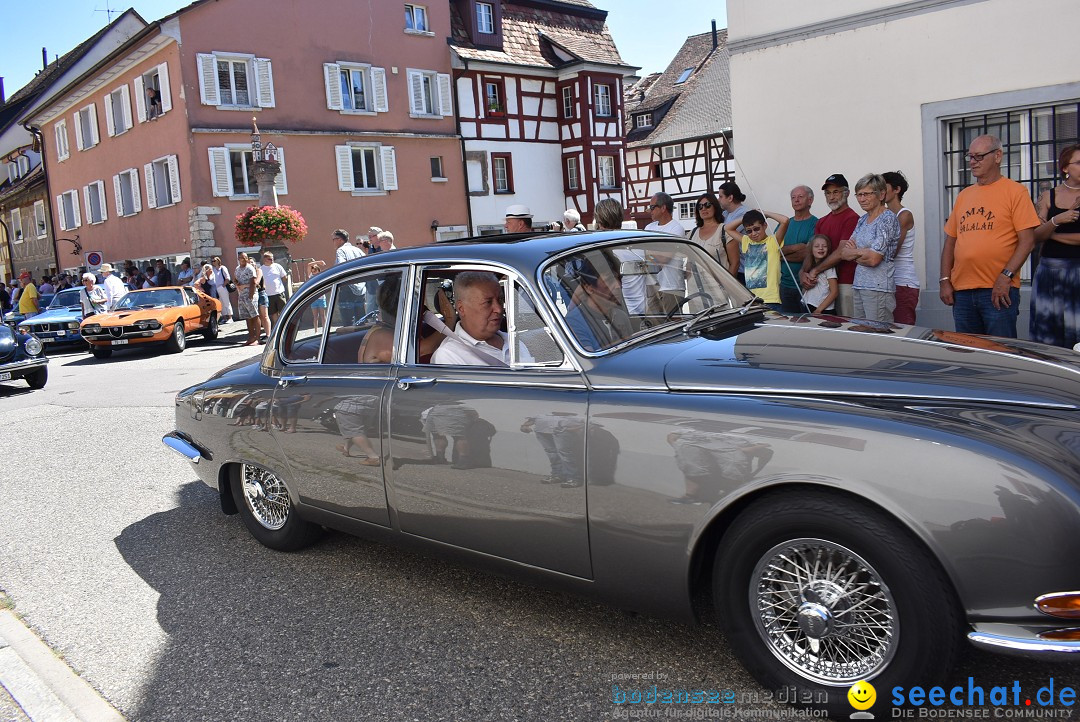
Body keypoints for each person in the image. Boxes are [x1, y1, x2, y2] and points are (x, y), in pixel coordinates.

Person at [940, 134, 1040, 337]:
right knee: (969, 354)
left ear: (997, 156)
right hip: (963, 291)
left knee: (1000, 353)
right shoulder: (964, 195)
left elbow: (1027, 241)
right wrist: (944, 279)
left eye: (978, 156)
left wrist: (1006, 277)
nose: (972, 162)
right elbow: (950, 242)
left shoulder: (1015, 192)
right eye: (969, 157)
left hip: (998, 289)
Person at [1030, 144, 1080, 348]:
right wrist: (1057, 220)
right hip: (1049, 272)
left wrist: (1052, 233)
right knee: (1049, 336)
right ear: (1065, 168)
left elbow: (1045, 234)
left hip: (1078, 271)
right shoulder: (1048, 196)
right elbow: (1034, 235)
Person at [431, 272, 531, 366]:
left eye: (500, 300)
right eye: (488, 302)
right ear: (462, 308)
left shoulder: (514, 341)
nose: (499, 309)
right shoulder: (449, 356)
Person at [839, 173, 900, 323]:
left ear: (881, 195)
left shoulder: (887, 219)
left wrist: (855, 253)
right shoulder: (862, 220)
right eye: (859, 195)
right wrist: (863, 252)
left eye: (866, 194)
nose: (861, 199)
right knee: (861, 335)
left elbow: (874, 259)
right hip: (859, 284)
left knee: (877, 335)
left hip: (878, 288)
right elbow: (844, 253)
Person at [800, 174, 860, 317]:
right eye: (828, 193)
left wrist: (814, 271)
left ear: (847, 193)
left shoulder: (852, 218)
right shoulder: (822, 221)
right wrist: (803, 273)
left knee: (846, 327)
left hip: (844, 282)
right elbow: (810, 251)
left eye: (836, 192)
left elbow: (841, 252)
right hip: (819, 286)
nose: (831, 197)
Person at [563, 255, 634, 351]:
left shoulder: (621, 316)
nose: (618, 286)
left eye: (619, 279)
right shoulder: (574, 322)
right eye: (609, 280)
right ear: (589, 288)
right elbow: (589, 363)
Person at [725, 209, 789, 310]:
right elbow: (728, 228)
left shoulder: (773, 241)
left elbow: (785, 220)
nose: (753, 233)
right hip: (752, 300)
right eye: (749, 231)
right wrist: (746, 217)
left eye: (756, 229)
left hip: (771, 300)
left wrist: (764, 213)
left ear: (765, 225)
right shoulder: (747, 241)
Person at [883, 171, 919, 324]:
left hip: (902, 281)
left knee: (903, 330)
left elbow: (891, 251)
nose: (880, 192)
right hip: (887, 281)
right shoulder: (884, 215)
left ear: (896, 190)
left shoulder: (904, 215)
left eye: (883, 187)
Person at [778, 185, 819, 314]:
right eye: (793, 197)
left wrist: (783, 253)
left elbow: (810, 253)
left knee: (807, 326)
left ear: (810, 200)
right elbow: (773, 251)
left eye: (800, 197)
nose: (796, 200)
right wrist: (799, 246)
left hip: (807, 285)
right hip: (784, 285)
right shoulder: (784, 224)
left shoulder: (816, 223)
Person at [689, 192, 730, 271]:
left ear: (715, 207)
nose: (703, 209)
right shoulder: (691, 234)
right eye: (700, 206)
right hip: (696, 282)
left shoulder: (725, 230)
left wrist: (727, 283)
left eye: (707, 205)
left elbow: (735, 263)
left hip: (718, 282)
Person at [801, 235, 838, 314]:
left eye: (824, 246)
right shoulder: (808, 265)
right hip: (808, 305)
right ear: (811, 249)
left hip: (823, 309)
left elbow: (834, 292)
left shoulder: (829, 268)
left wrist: (819, 310)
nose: (821, 248)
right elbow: (805, 289)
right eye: (817, 246)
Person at [234, 252, 260, 345]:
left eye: (244, 257)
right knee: (247, 317)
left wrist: (251, 296)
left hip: (250, 295)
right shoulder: (237, 269)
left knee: (255, 316)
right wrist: (236, 283)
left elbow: (253, 282)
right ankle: (251, 337)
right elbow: (236, 279)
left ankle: (258, 338)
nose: (242, 259)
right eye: (241, 257)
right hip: (241, 295)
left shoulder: (250, 268)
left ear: (247, 258)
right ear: (238, 258)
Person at [260, 251, 289, 325]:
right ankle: (277, 326)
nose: (272, 260)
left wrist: (280, 286)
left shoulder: (277, 266)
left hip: (279, 293)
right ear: (265, 259)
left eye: (272, 258)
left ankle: (285, 325)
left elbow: (284, 277)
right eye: (270, 259)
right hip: (268, 294)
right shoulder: (261, 269)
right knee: (273, 313)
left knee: (283, 311)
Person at [210, 256, 233, 323]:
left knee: (226, 302)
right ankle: (224, 317)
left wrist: (223, 285)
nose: (213, 262)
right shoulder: (213, 269)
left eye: (214, 261)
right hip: (216, 288)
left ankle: (230, 317)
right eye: (212, 261)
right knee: (220, 303)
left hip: (222, 287)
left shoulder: (222, 268)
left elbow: (227, 278)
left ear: (218, 261)